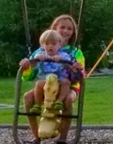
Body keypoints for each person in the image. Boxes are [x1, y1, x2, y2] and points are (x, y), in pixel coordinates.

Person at [19, 15, 86, 144]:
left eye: (69, 29)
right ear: (55, 28)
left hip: (68, 86)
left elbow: (80, 77)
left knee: (68, 100)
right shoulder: (41, 50)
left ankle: (62, 138)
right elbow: (27, 76)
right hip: (46, 84)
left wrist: (76, 68)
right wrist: (27, 65)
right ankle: (36, 136)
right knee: (28, 97)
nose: (65, 31)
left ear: (73, 32)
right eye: (62, 27)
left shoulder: (75, 52)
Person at [23, 30, 73, 115]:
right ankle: (38, 104)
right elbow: (32, 65)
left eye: (53, 44)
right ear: (42, 45)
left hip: (59, 82)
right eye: (47, 44)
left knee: (66, 82)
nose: (50, 46)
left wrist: (62, 61)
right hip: (45, 82)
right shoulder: (40, 54)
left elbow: (69, 65)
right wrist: (37, 59)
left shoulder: (63, 55)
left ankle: (59, 101)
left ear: (59, 45)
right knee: (38, 84)